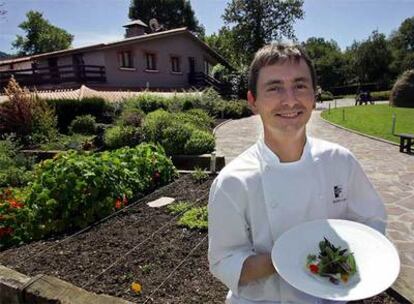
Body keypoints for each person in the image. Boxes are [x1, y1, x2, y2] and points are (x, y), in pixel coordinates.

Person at [208, 43, 386, 304]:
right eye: (274, 87)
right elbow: (224, 262)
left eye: (300, 85)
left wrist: (342, 261)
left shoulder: (341, 162)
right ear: (252, 101)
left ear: (314, 96)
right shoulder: (233, 182)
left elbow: (372, 222)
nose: (289, 99)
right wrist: (291, 260)